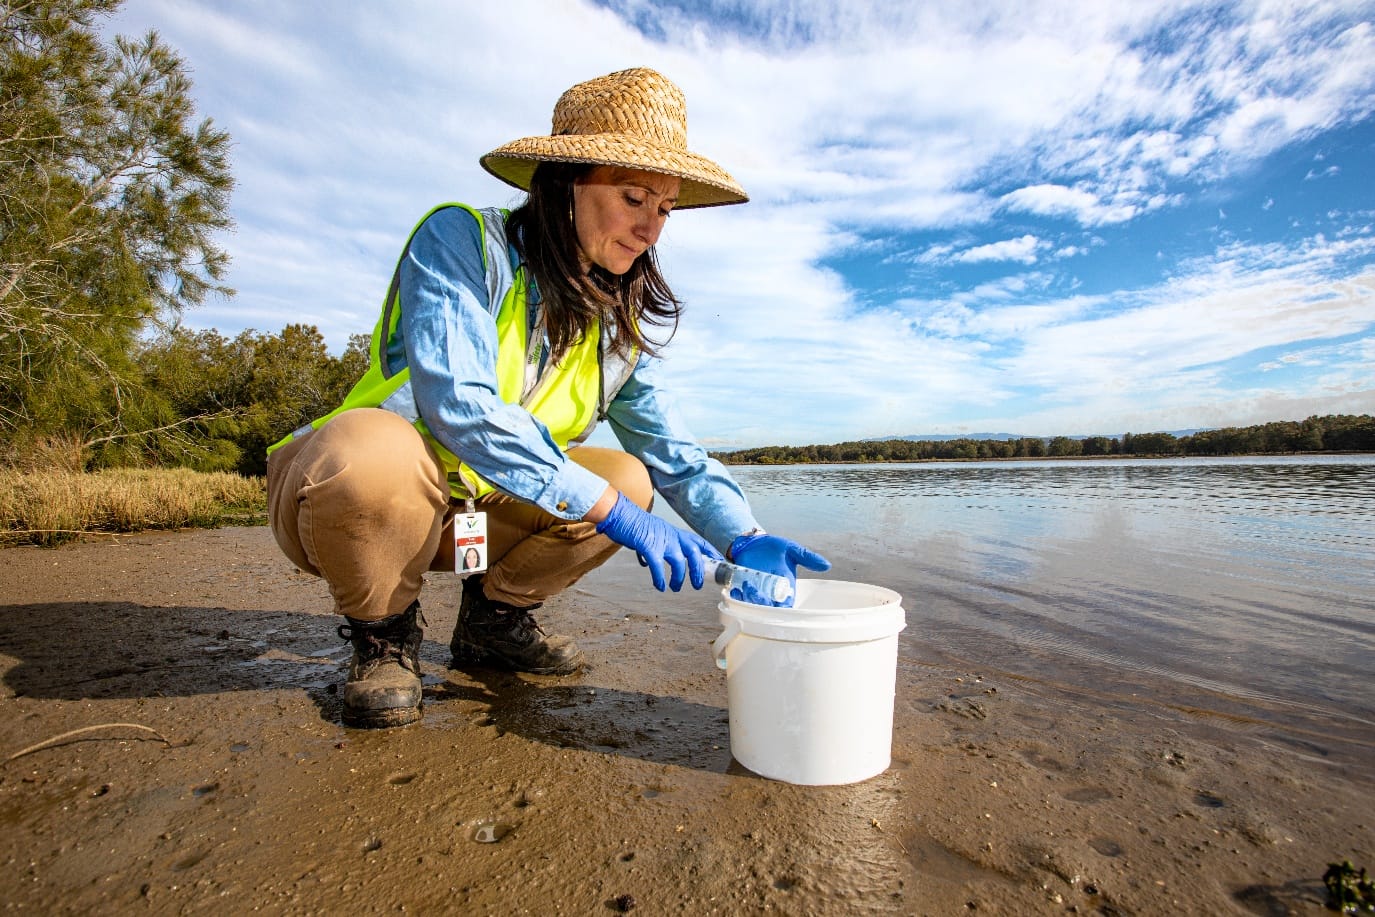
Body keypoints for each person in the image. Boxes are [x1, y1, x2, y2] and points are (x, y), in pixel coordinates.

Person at [265, 67, 830, 729]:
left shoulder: (615, 330)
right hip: (356, 499)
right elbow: (459, 405)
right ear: (564, 185)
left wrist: (744, 536)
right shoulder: (460, 243)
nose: (651, 227)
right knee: (371, 454)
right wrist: (612, 512)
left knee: (630, 475)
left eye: (664, 208)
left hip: (468, 512)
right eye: (632, 196)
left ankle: (493, 620)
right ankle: (383, 634)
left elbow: (676, 456)